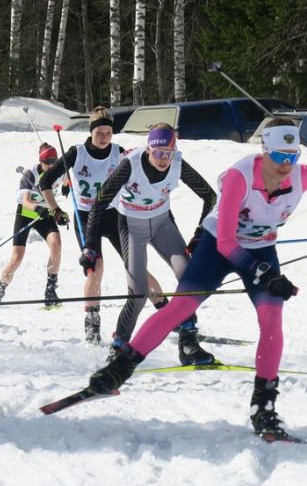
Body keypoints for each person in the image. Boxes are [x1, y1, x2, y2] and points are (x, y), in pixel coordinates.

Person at [82, 118, 307, 439]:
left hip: (262, 249)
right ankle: (118, 370)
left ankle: (263, 407)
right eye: (279, 156)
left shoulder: (302, 176)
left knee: (271, 321)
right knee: (179, 309)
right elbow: (225, 242)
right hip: (217, 247)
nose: (286, 164)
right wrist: (262, 274)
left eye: (293, 157)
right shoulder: (241, 176)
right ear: (265, 151)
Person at [81, 123, 216, 364]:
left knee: (190, 279)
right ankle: (120, 344)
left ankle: (188, 343)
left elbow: (210, 196)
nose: (164, 159)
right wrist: (90, 246)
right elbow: (99, 203)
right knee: (139, 293)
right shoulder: (130, 164)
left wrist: (199, 235)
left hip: (163, 224)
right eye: (158, 153)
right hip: (132, 226)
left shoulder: (177, 164)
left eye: (169, 153)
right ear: (148, 150)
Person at [38, 107, 173, 343]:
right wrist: (56, 210)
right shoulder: (76, 153)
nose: (104, 137)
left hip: (114, 215)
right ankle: (92, 325)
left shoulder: (119, 153)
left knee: (136, 268)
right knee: (95, 268)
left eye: (109, 132)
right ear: (91, 132)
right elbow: (45, 181)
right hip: (86, 217)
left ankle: (169, 315)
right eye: (99, 132)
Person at [0, 143, 67, 309]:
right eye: (48, 162)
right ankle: (0, 289)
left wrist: (68, 186)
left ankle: (50, 291)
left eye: (55, 161)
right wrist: (38, 208)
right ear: (41, 161)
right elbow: (25, 202)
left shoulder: (58, 171)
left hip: (45, 214)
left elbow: (68, 181)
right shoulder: (30, 174)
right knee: (17, 257)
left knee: (56, 244)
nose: (52, 165)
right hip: (27, 213)